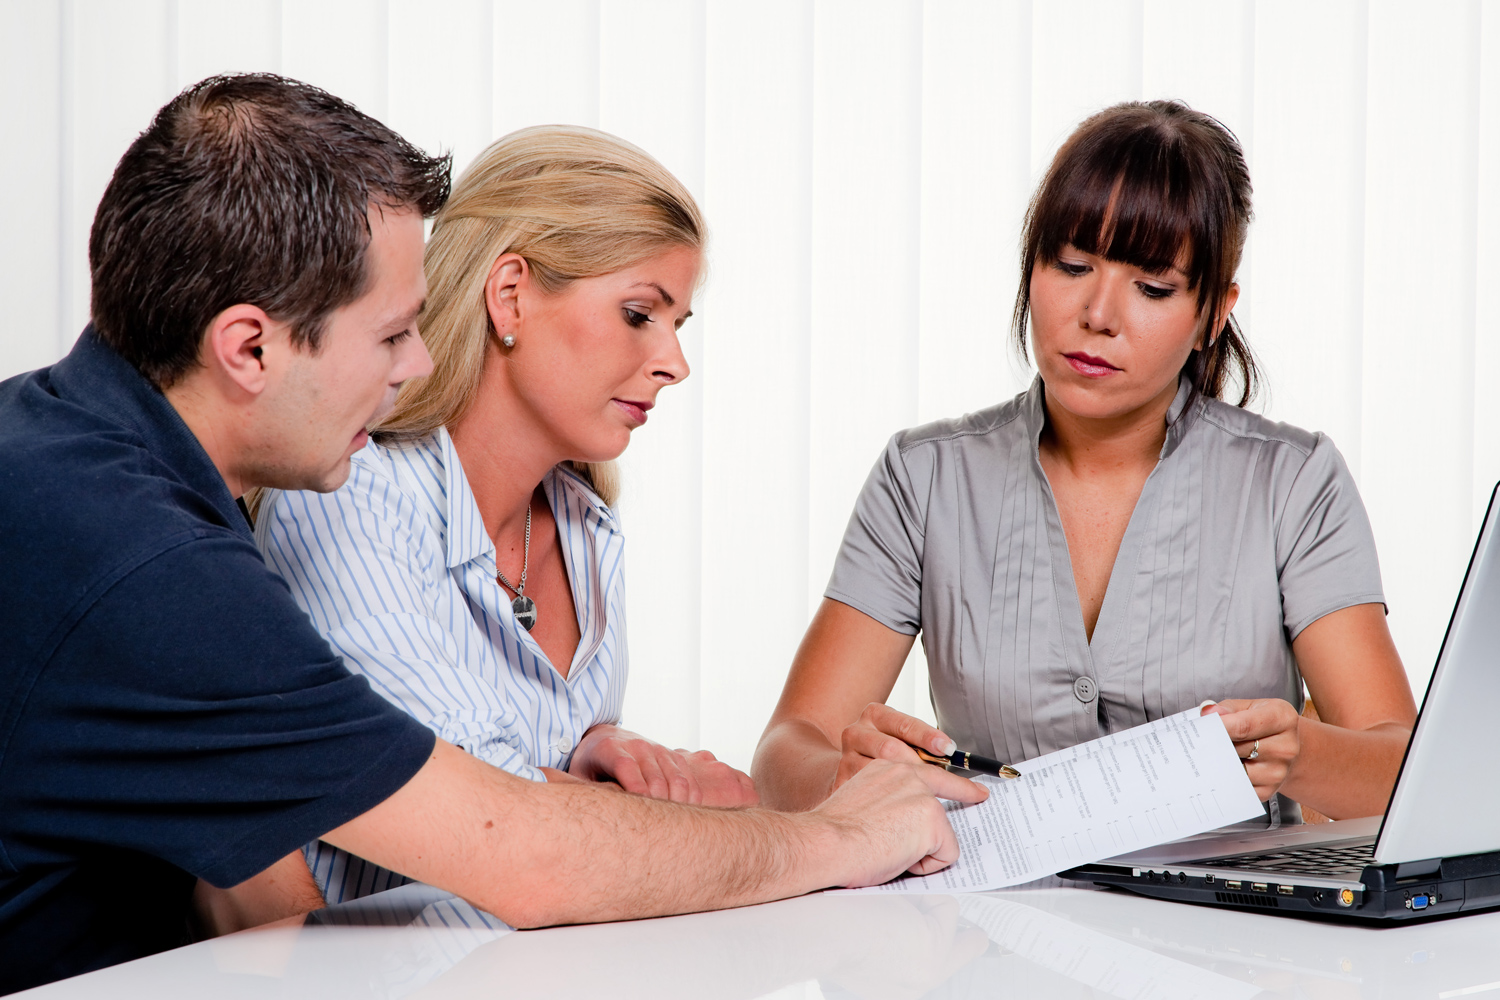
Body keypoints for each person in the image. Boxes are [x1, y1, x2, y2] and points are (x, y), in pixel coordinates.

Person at [0, 74, 982, 996]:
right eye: (389, 335)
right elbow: (523, 854)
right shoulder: (150, 563)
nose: (416, 362)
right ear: (248, 347)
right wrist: (833, 837)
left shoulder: (70, 462)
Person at [753, 100, 1417, 825]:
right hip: (985, 920)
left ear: (1213, 315)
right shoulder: (925, 477)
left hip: (1224, 931)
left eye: (1153, 287)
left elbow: (1401, 765)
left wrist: (1304, 755)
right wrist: (843, 774)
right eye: (1071, 265)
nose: (1098, 315)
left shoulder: (1294, 481)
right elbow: (791, 747)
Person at [251, 125, 757, 904]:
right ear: (510, 292)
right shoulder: (348, 502)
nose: (674, 364)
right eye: (638, 314)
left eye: (677, 326)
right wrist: (715, 828)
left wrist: (597, 745)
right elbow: (481, 820)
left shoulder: (587, 530)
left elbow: (526, 769)